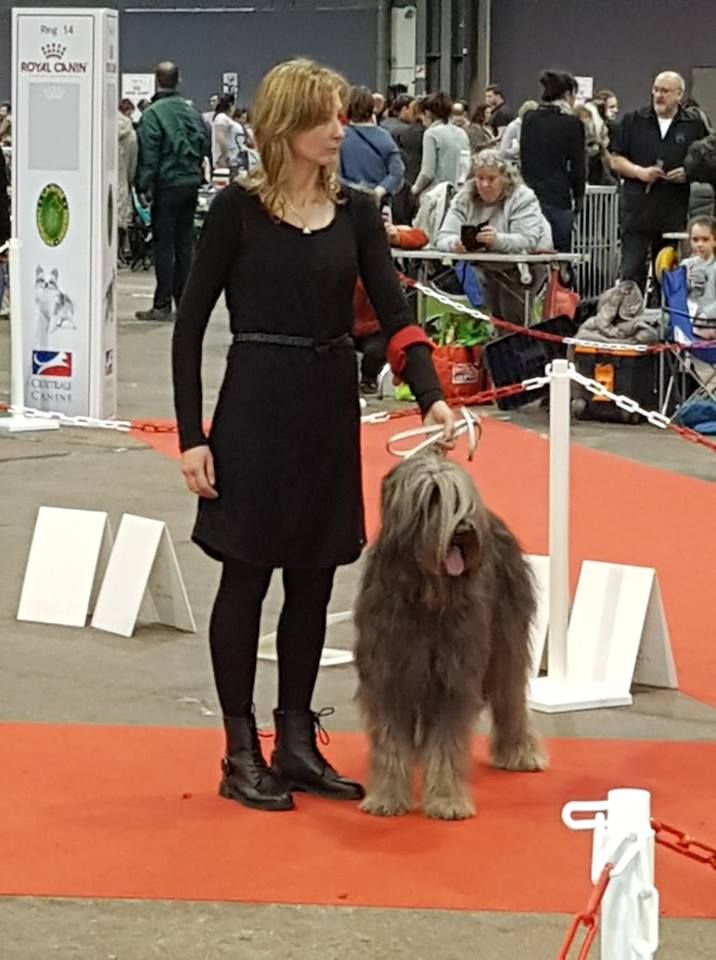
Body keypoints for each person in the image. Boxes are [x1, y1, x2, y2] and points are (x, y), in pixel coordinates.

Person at [171, 58, 454, 812]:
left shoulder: (358, 211)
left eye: (341, 115)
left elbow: (395, 313)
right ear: (286, 125)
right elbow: (189, 326)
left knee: (314, 577)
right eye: (326, 117)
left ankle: (295, 743)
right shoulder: (235, 210)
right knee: (246, 577)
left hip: (328, 408)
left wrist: (431, 396)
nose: (339, 129)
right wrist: (192, 436)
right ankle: (240, 751)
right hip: (255, 407)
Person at [611, 71, 709, 293]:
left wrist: (688, 172)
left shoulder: (693, 124)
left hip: (672, 211)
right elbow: (615, 159)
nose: (658, 95)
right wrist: (639, 172)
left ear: (679, 95)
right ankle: (628, 312)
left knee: (667, 275)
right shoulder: (633, 120)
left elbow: (706, 160)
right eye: (655, 90)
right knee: (631, 272)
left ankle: (665, 312)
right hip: (636, 210)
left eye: (665, 91)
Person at [436, 149, 553, 325]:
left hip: (526, 264)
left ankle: (525, 341)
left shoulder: (523, 197)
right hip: (487, 265)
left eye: (491, 179)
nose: (484, 184)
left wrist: (497, 240)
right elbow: (442, 237)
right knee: (494, 316)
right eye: (480, 178)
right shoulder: (464, 198)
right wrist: (454, 244)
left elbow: (528, 239)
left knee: (513, 314)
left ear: (504, 178)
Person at [135, 61, 209, 322]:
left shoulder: (153, 114)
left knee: (164, 246)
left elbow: (149, 154)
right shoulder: (192, 111)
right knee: (185, 245)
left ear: (156, 80)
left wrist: (143, 185)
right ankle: (185, 304)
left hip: (167, 186)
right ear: (179, 80)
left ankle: (162, 304)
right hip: (191, 184)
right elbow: (204, 143)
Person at [520, 70, 586, 252]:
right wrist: (579, 196)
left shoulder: (529, 118)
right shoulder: (572, 124)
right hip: (558, 196)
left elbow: (524, 156)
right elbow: (578, 166)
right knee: (559, 253)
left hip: (529, 195)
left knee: (531, 249)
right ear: (567, 94)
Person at [339, 86, 404, 205]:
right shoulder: (385, 136)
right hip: (378, 203)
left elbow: (334, 175)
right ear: (372, 108)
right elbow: (397, 173)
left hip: (348, 202)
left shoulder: (339, 136)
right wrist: (378, 192)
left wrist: (358, 191)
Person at [412, 92, 471, 200]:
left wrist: (415, 189)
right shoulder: (462, 133)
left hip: (436, 195)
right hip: (457, 194)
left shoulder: (431, 134)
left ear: (427, 113)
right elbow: (466, 166)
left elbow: (427, 173)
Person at [682, 215, 716, 339]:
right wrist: (684, 281)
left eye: (705, 240)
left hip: (710, 319)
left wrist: (705, 314)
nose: (699, 244)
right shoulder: (686, 265)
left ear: (714, 241)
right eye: (695, 240)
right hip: (688, 316)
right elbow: (677, 295)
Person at [117, 98, 138, 263]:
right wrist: (131, 180)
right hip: (121, 180)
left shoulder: (103, 127)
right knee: (121, 219)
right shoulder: (131, 134)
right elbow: (132, 162)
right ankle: (120, 253)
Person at [211, 94, 251, 179]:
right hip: (227, 161)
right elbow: (220, 138)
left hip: (236, 160)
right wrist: (224, 156)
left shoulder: (228, 119)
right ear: (230, 105)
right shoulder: (221, 118)